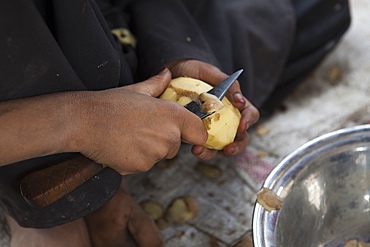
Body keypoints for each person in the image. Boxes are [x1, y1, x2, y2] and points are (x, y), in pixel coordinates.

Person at [0, 0, 350, 246]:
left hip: (105, 36)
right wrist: (80, 122)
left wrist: (178, 57)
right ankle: (57, 208)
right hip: (22, 110)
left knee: (319, 9)